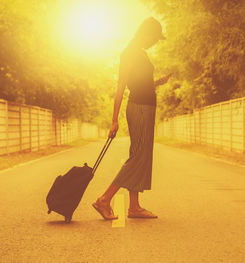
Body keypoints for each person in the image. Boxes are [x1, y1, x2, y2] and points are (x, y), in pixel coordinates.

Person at [92, 17, 172, 220]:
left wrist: (157, 82)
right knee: (138, 157)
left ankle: (134, 207)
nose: (154, 42)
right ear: (145, 33)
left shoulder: (139, 53)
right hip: (140, 108)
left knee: (139, 154)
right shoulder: (129, 53)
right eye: (154, 38)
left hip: (145, 107)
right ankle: (104, 199)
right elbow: (121, 87)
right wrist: (114, 120)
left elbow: (140, 83)